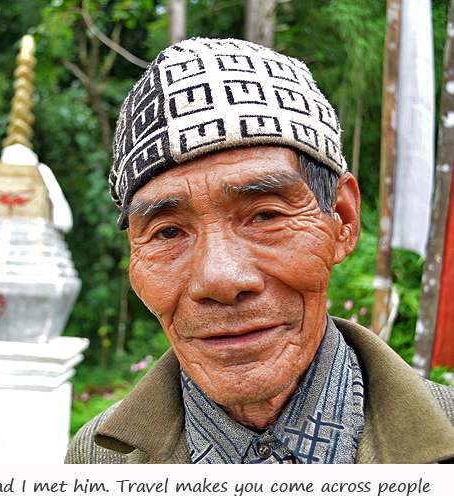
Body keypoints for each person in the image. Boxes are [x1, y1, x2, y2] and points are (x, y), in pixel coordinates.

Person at [65, 37, 454, 464]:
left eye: (265, 215)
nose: (221, 280)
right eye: (168, 231)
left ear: (341, 219)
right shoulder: (97, 461)